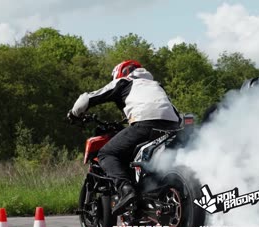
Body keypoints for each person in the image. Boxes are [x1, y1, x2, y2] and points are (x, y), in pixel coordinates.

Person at [67, 60, 180, 215]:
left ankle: (126, 189)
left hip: (144, 124)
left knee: (106, 153)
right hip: (172, 127)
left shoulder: (123, 82)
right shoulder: (156, 85)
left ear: (121, 73)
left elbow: (87, 98)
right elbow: (174, 111)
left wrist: (74, 114)